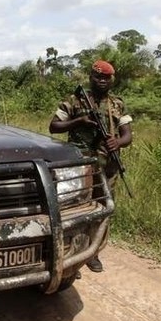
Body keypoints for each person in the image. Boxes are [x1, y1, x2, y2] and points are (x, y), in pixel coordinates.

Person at [48, 60, 132, 273]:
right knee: (74, 207)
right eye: (98, 77)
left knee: (104, 207)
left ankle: (93, 253)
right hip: (80, 166)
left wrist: (117, 142)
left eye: (106, 78)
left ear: (112, 80)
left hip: (107, 167)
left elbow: (127, 135)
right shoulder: (75, 101)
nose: (102, 81)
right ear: (90, 77)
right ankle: (71, 255)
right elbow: (54, 126)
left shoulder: (117, 104)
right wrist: (79, 121)